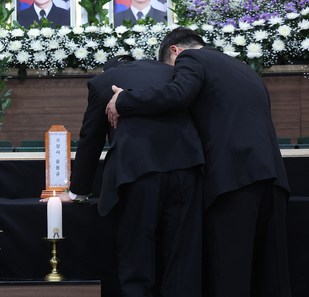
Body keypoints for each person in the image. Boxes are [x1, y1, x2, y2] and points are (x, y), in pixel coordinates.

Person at [106, 27, 291, 297]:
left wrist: (125, 99)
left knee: (229, 274)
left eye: (169, 70)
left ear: (174, 52)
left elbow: (178, 94)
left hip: (234, 178)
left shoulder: (192, 59)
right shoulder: (243, 68)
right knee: (270, 276)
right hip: (273, 177)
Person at [42, 55, 205, 296]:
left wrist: (76, 193)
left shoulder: (103, 82)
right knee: (182, 257)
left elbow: (91, 140)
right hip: (187, 166)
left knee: (136, 254)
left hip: (138, 171)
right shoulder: (170, 73)